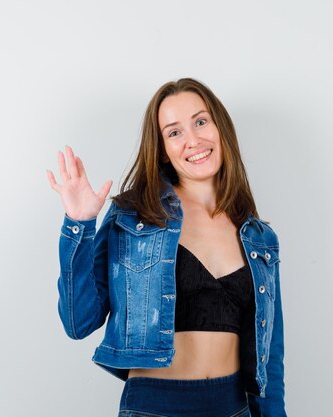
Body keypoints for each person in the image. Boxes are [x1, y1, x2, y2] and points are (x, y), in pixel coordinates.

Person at [47, 78, 286, 417]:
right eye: (174, 132)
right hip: (153, 407)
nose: (193, 140)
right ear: (161, 148)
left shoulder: (259, 237)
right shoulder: (133, 217)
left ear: (220, 128)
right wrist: (80, 224)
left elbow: (270, 356)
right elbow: (78, 322)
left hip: (234, 407)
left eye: (201, 122)